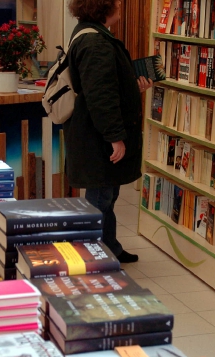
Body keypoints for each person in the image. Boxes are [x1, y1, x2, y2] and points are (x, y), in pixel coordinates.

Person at [65, 0, 152, 264]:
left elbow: (104, 87)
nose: (120, 6)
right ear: (103, 7)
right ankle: (93, 255)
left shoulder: (91, 34)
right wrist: (115, 137)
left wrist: (131, 87)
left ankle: (108, 246)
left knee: (107, 195)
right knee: (101, 198)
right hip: (98, 137)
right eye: (116, 2)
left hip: (94, 133)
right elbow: (100, 96)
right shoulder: (96, 44)